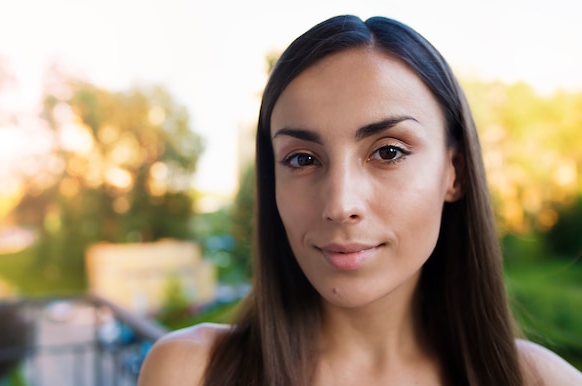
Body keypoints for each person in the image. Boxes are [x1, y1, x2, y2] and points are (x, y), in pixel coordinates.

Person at [138, 15, 582, 385]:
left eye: (388, 152)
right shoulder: (190, 372)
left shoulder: (542, 381)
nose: (340, 203)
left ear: (455, 172)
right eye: (302, 159)